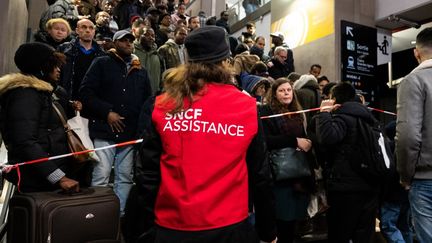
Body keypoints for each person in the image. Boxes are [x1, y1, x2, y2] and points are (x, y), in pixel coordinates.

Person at [134, 26, 277, 243]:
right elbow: (260, 175)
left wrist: (145, 229)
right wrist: (268, 232)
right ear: (226, 61)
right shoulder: (246, 106)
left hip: (172, 228)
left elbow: (148, 174)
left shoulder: (163, 104)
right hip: (229, 228)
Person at [79, 29, 152, 215]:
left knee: (125, 177)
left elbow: (147, 101)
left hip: (129, 133)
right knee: (101, 175)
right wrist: (107, 112)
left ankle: (119, 216)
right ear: (114, 43)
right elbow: (86, 93)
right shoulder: (101, 63)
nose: (128, 43)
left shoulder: (141, 70)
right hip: (104, 130)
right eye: (123, 40)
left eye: (130, 40)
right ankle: (97, 215)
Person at [0, 42, 87, 193]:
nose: (59, 69)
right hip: (37, 178)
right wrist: (59, 177)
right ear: (41, 67)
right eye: (54, 65)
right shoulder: (25, 94)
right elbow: (25, 141)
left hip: (50, 173)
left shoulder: (45, 92)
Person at [314, 82, 379, 243]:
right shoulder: (370, 120)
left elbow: (328, 138)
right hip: (370, 185)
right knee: (363, 235)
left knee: (340, 234)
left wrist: (324, 114)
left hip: (345, 188)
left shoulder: (342, 118)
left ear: (334, 99)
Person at [260, 78, 313, 243]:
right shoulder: (267, 111)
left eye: (289, 90)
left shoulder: (298, 113)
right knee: (283, 220)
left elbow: (302, 139)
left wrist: (304, 143)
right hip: (280, 174)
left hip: (299, 173)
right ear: (274, 94)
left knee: (295, 222)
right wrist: (295, 141)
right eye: (282, 90)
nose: (286, 93)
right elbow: (266, 141)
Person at [396, 27, 432, 243]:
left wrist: (405, 175)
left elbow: (408, 135)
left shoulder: (413, 80)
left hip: (426, 178)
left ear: (416, 53)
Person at [58, 19, 105, 102]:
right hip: (68, 98)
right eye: (84, 27)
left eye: (91, 28)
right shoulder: (64, 49)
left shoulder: (102, 54)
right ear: (77, 30)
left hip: (92, 100)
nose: (87, 30)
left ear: (94, 32)